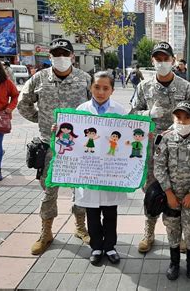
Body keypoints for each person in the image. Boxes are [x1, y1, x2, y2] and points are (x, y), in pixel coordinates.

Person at [18, 38, 92, 255]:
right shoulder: (38, 79)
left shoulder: (84, 79)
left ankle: (80, 227)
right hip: (49, 144)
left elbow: (95, 105)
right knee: (49, 190)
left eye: (64, 53)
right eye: (56, 54)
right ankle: (46, 232)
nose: (61, 58)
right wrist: (40, 120)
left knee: (80, 189)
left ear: (72, 56)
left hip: (78, 147)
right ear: (50, 56)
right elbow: (23, 104)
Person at [130, 41, 190, 253]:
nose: (162, 62)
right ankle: (149, 233)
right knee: (150, 190)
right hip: (151, 149)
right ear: (152, 61)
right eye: (158, 59)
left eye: (166, 58)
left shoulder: (185, 87)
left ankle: (179, 235)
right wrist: (146, 114)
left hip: (179, 150)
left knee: (178, 191)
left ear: (173, 60)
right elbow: (132, 114)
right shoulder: (144, 87)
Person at [73, 71, 127, 266]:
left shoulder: (120, 111)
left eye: (106, 88)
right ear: (90, 87)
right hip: (88, 170)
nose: (101, 92)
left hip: (110, 172)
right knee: (92, 212)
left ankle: (110, 246)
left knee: (110, 212)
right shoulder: (81, 110)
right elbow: (75, 137)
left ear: (112, 90)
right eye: (97, 87)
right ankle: (96, 246)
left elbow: (127, 140)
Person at [154, 101, 190, 280]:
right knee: (172, 229)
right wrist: (168, 193)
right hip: (171, 197)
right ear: (173, 117)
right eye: (179, 117)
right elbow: (159, 167)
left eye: (187, 118)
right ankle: (174, 262)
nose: (183, 121)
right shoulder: (166, 138)